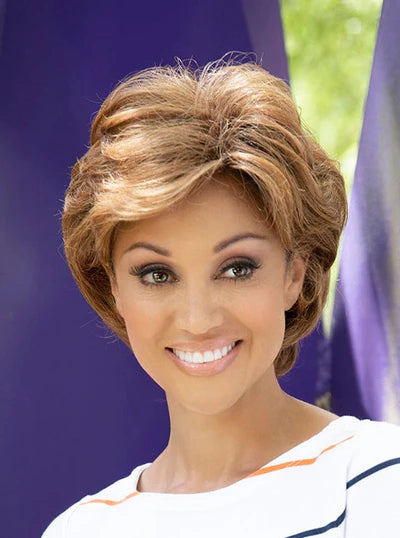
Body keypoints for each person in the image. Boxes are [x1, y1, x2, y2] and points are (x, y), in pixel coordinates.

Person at [42, 56, 400, 537]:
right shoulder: (81, 530)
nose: (198, 318)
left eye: (236, 269)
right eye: (156, 274)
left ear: (294, 274)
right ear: (114, 288)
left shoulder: (381, 483)